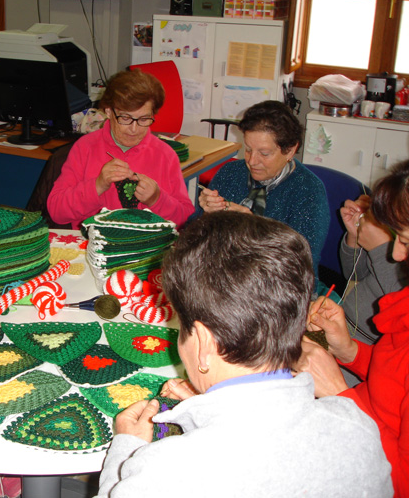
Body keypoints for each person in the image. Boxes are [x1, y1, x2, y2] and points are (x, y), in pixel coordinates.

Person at [97, 211, 392, 498]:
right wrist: (206, 413)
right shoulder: (359, 427)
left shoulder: (163, 472)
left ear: (202, 343)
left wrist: (127, 449)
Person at [295, 159, 409, 495]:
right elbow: (394, 375)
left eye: (403, 238)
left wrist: (338, 394)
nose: (399, 255)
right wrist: (349, 350)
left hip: (367, 458)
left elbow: (398, 481)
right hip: (361, 414)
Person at [47, 68, 194, 229]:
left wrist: (157, 199)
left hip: (146, 248)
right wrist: (97, 185)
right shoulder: (85, 148)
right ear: (109, 111)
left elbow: (183, 218)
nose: (134, 129)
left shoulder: (165, 155)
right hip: (94, 246)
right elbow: (57, 212)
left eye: (144, 119)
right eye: (125, 118)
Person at [197, 100, 329, 275]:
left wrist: (254, 229)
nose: (252, 161)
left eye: (264, 153)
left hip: (278, 287)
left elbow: (301, 265)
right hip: (227, 276)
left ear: (289, 151)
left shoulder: (308, 191)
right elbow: (199, 239)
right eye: (249, 149)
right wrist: (208, 214)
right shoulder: (230, 172)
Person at [339, 192, 407, 342]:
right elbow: (354, 273)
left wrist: (380, 249)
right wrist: (356, 236)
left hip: (369, 347)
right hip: (341, 324)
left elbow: (402, 304)